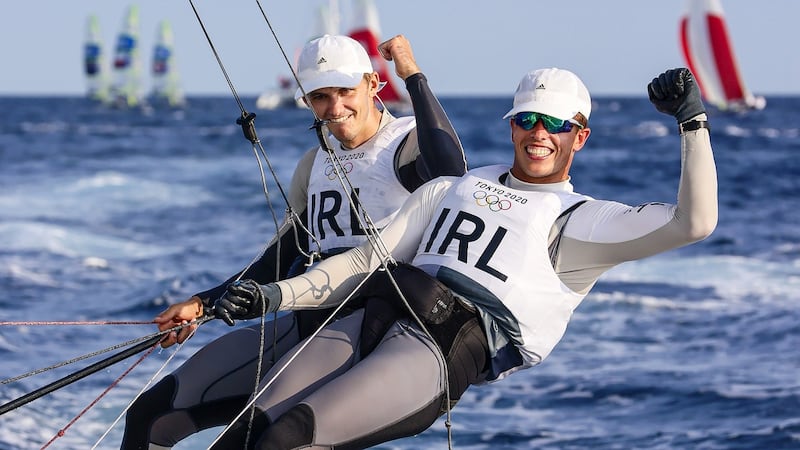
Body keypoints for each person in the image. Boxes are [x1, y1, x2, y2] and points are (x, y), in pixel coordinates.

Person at [207, 66, 718, 449]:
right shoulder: (455, 187)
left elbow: (693, 224)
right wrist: (274, 295)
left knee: (288, 440)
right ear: (512, 126)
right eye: (528, 119)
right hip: (377, 311)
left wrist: (691, 122)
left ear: (579, 137)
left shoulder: (582, 220)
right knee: (245, 435)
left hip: (440, 348)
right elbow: (365, 261)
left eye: (556, 124)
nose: (540, 133)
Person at [120, 34, 467, 449]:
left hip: (376, 325)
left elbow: (452, 172)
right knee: (150, 414)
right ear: (306, 100)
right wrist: (203, 302)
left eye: (345, 91)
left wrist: (412, 75)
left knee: (252, 439)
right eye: (320, 96)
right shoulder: (314, 163)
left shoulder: (407, 144)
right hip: (308, 317)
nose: (335, 108)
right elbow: (280, 257)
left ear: (373, 84)